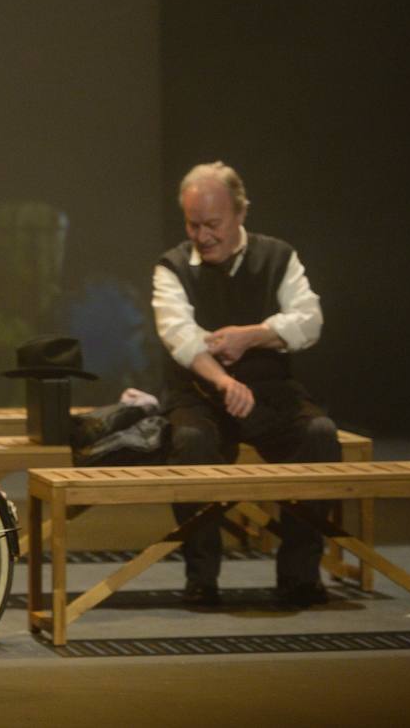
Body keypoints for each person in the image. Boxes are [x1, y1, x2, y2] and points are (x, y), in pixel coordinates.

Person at [152, 161, 340, 608]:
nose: (203, 235)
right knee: (192, 443)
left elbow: (309, 320)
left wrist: (252, 335)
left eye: (213, 224)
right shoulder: (172, 268)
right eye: (193, 224)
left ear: (240, 214)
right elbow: (180, 335)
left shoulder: (278, 257)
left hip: (271, 391)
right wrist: (222, 380)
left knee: (319, 437)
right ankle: (202, 578)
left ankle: (299, 575)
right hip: (200, 397)